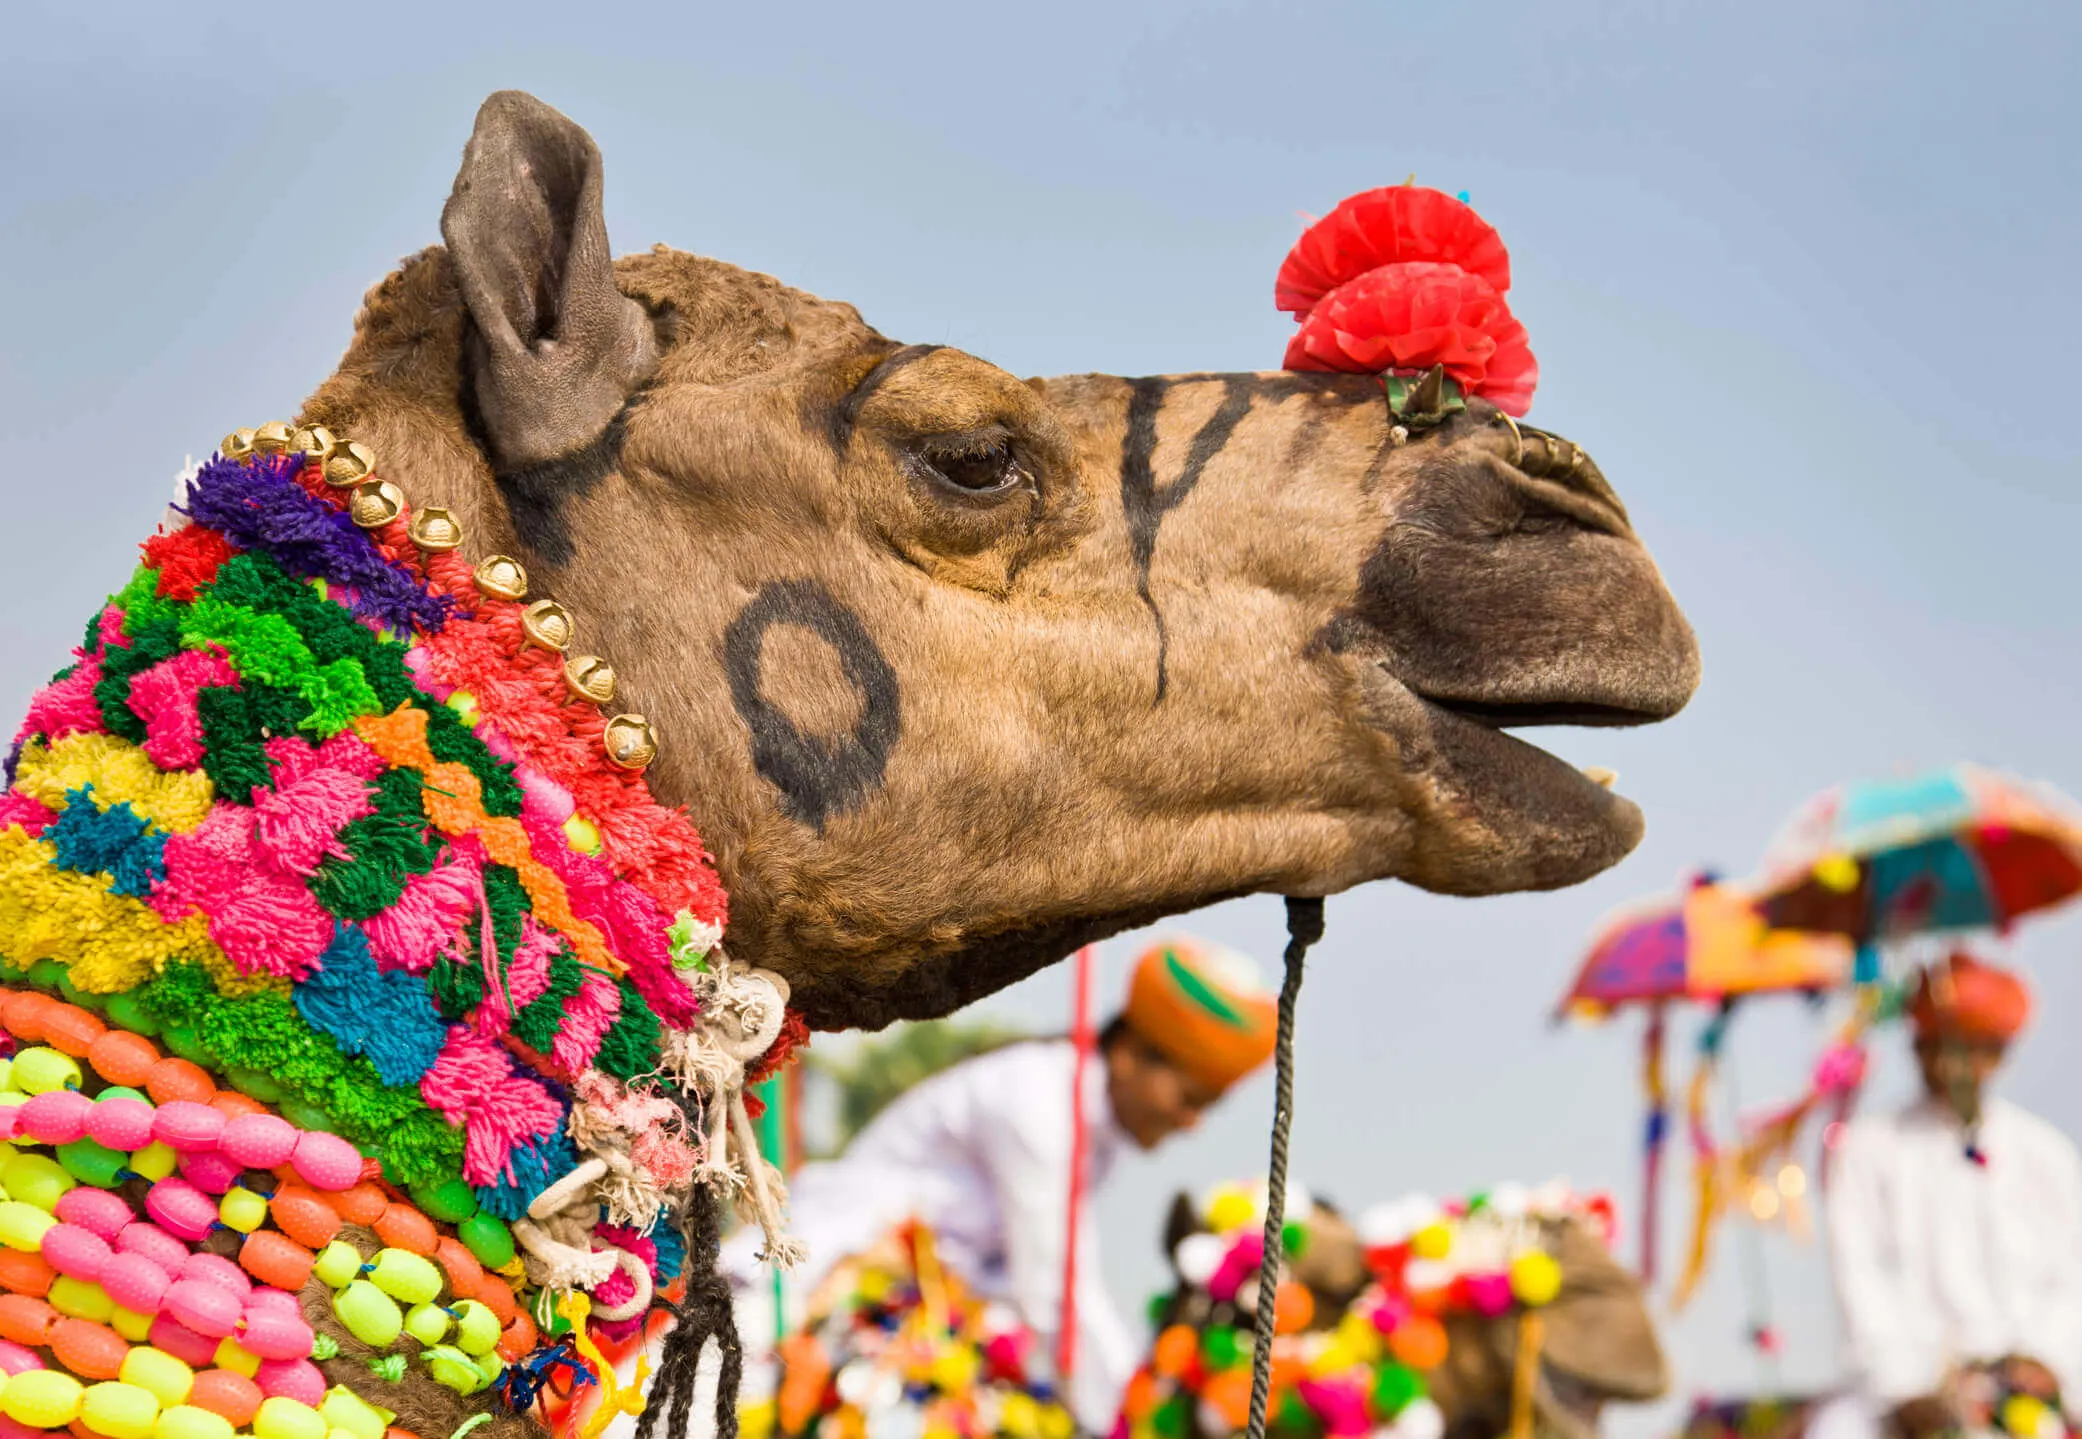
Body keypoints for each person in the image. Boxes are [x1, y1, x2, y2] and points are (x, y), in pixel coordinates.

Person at [724, 935, 1279, 1433]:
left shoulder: (1094, 1130)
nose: (1192, 1124)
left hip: (935, 1315)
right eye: (1190, 1099)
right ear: (1131, 1055)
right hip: (819, 1297)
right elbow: (1054, 1292)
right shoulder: (1040, 1099)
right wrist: (1138, 1417)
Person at [1814, 953, 2082, 1439]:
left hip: (2029, 1385)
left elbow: (2071, 1280)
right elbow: (1861, 1284)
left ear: (1998, 1055)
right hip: (1903, 1396)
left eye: (1965, 1050)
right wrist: (1905, 1390)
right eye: (1933, 1046)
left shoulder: (2045, 1156)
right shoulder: (1868, 1149)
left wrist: (2042, 1360)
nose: (1946, 1065)